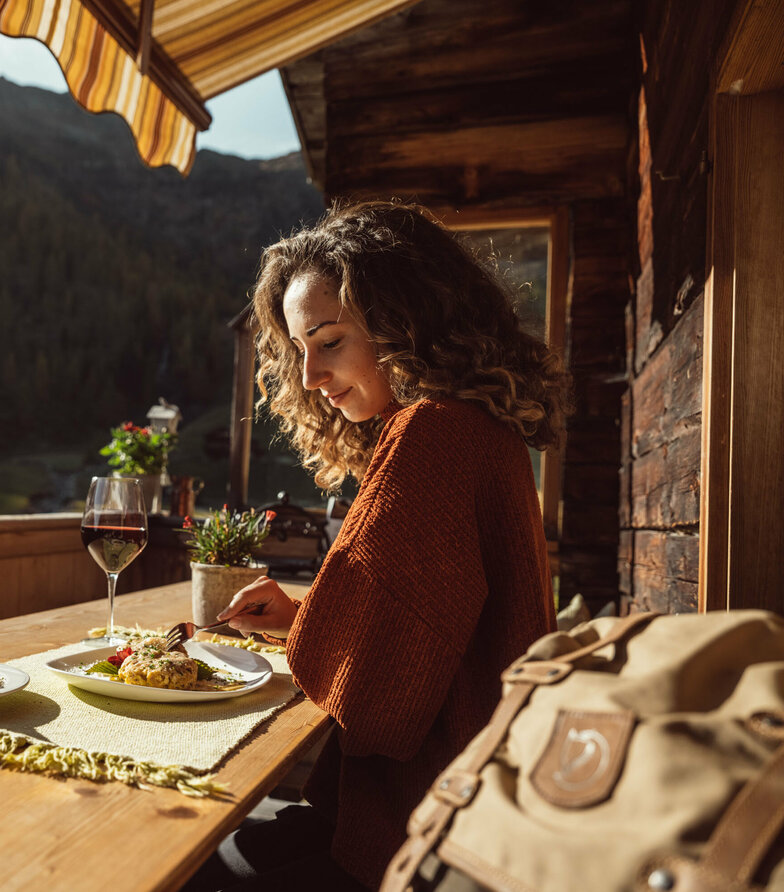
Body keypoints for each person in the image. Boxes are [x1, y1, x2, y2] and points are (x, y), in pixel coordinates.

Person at [185, 200, 571, 891]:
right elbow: (427, 636)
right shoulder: (481, 431)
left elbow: (375, 695)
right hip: (469, 817)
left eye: (329, 341)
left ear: (405, 323)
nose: (308, 377)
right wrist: (308, 617)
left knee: (183, 845)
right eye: (299, 349)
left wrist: (316, 630)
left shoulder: (433, 435)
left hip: (415, 845)